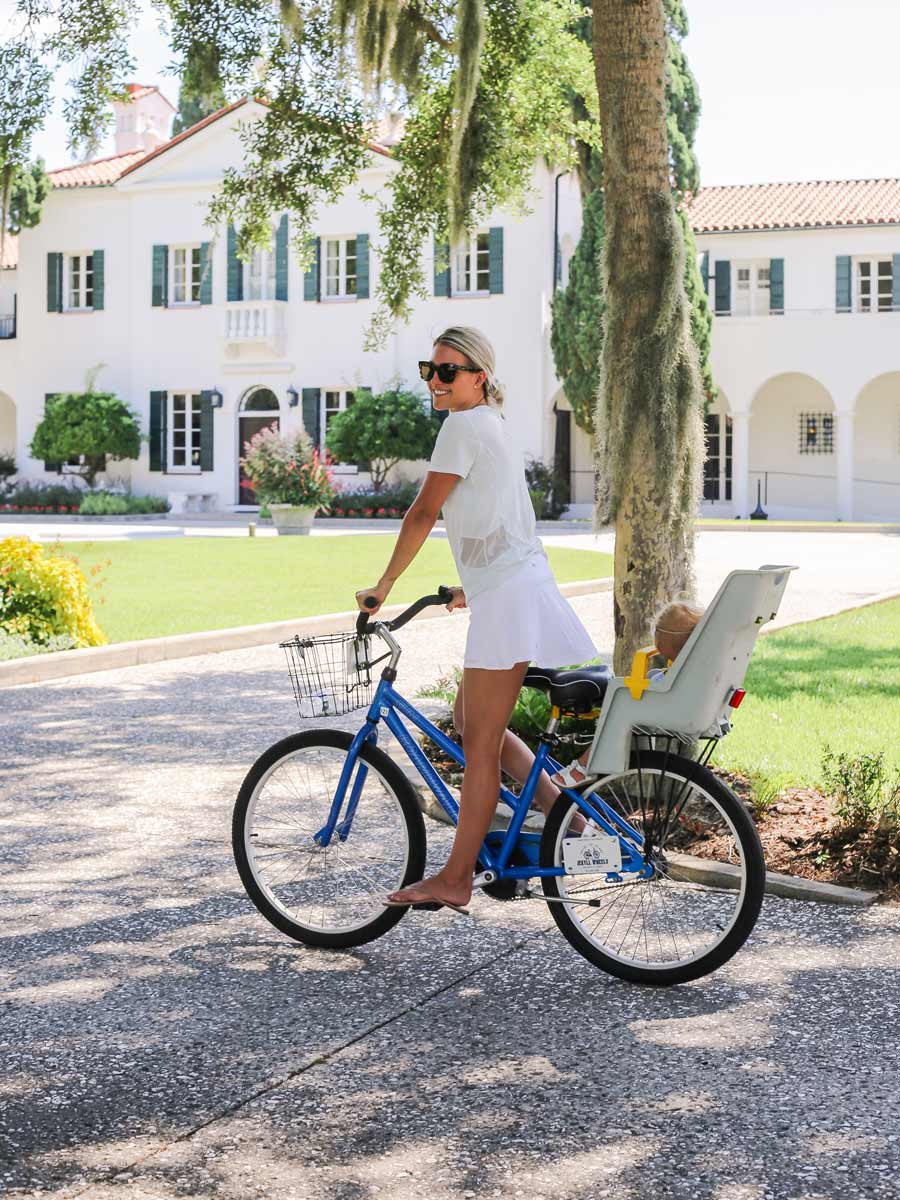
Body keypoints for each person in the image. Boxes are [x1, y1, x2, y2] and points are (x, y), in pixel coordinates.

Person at [355, 326, 597, 915]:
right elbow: (502, 516)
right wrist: (475, 582)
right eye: (428, 371)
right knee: (467, 718)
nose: (434, 382)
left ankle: (456, 878)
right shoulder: (492, 427)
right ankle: (561, 812)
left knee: (481, 744)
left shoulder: (462, 426)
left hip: (510, 597)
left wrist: (383, 586)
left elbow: (422, 513)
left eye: (447, 372)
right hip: (512, 587)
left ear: (477, 376)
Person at [550, 599, 705, 789]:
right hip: (684, 704)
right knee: (645, 682)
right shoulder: (701, 661)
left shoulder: (680, 669)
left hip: (668, 705)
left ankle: (584, 766)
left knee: (620, 700)